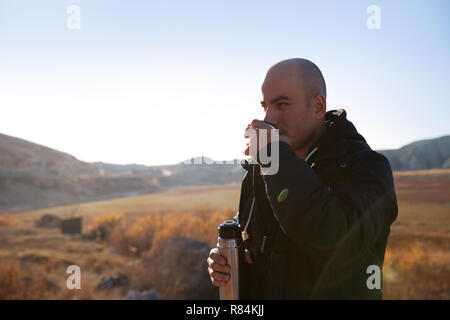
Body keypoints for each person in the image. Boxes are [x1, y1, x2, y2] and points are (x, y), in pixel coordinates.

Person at [207, 58, 398, 299]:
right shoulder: (267, 166)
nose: (269, 117)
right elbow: (252, 236)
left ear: (318, 106)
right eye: (265, 105)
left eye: (282, 104)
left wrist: (273, 156)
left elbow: (332, 240)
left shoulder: (368, 168)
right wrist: (227, 262)